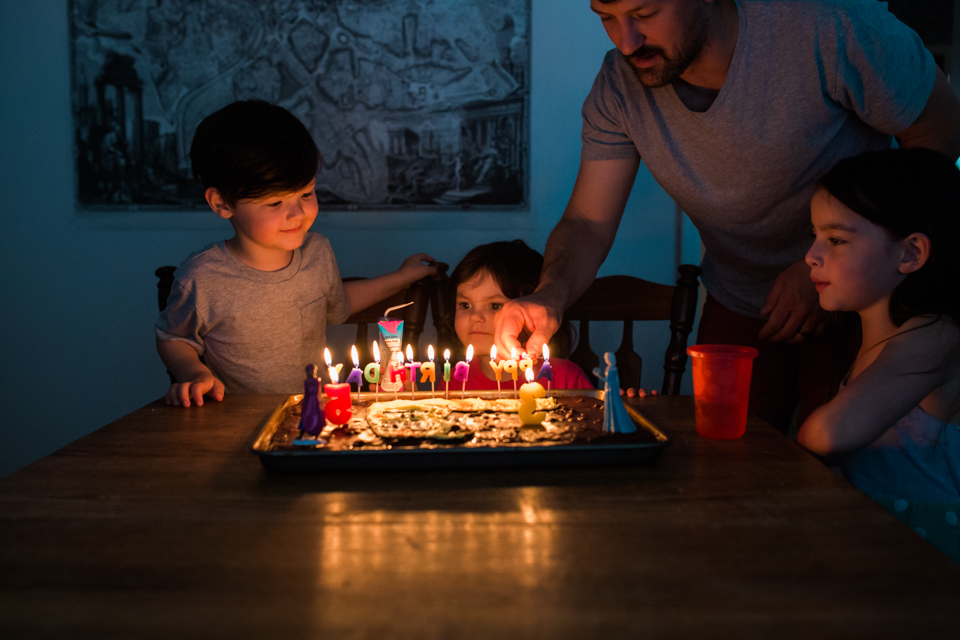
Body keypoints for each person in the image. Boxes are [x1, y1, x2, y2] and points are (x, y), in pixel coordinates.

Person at [495, 0, 960, 433]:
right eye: (606, 17)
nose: (626, 40)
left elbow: (940, 142)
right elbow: (588, 223)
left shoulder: (831, 30)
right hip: (738, 302)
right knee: (726, 465)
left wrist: (812, 268)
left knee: (842, 485)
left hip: (863, 306)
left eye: (645, 12)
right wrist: (551, 294)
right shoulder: (619, 85)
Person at [156, 100, 436, 407]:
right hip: (238, 421)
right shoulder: (202, 277)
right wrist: (194, 371)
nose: (297, 213)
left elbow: (339, 303)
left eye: (306, 193)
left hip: (314, 413)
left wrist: (401, 277)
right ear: (222, 203)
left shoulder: (317, 252)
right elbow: (174, 338)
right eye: (275, 203)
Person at [796, 148, 960, 561]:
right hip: (875, 544)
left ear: (910, 254)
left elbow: (829, 434)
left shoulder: (935, 336)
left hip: (927, 558)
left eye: (835, 239)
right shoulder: (867, 338)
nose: (810, 256)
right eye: (814, 236)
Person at [438, 240, 593, 391]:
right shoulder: (454, 380)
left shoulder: (567, 377)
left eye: (494, 306)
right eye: (465, 305)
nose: (474, 317)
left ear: (533, 313)